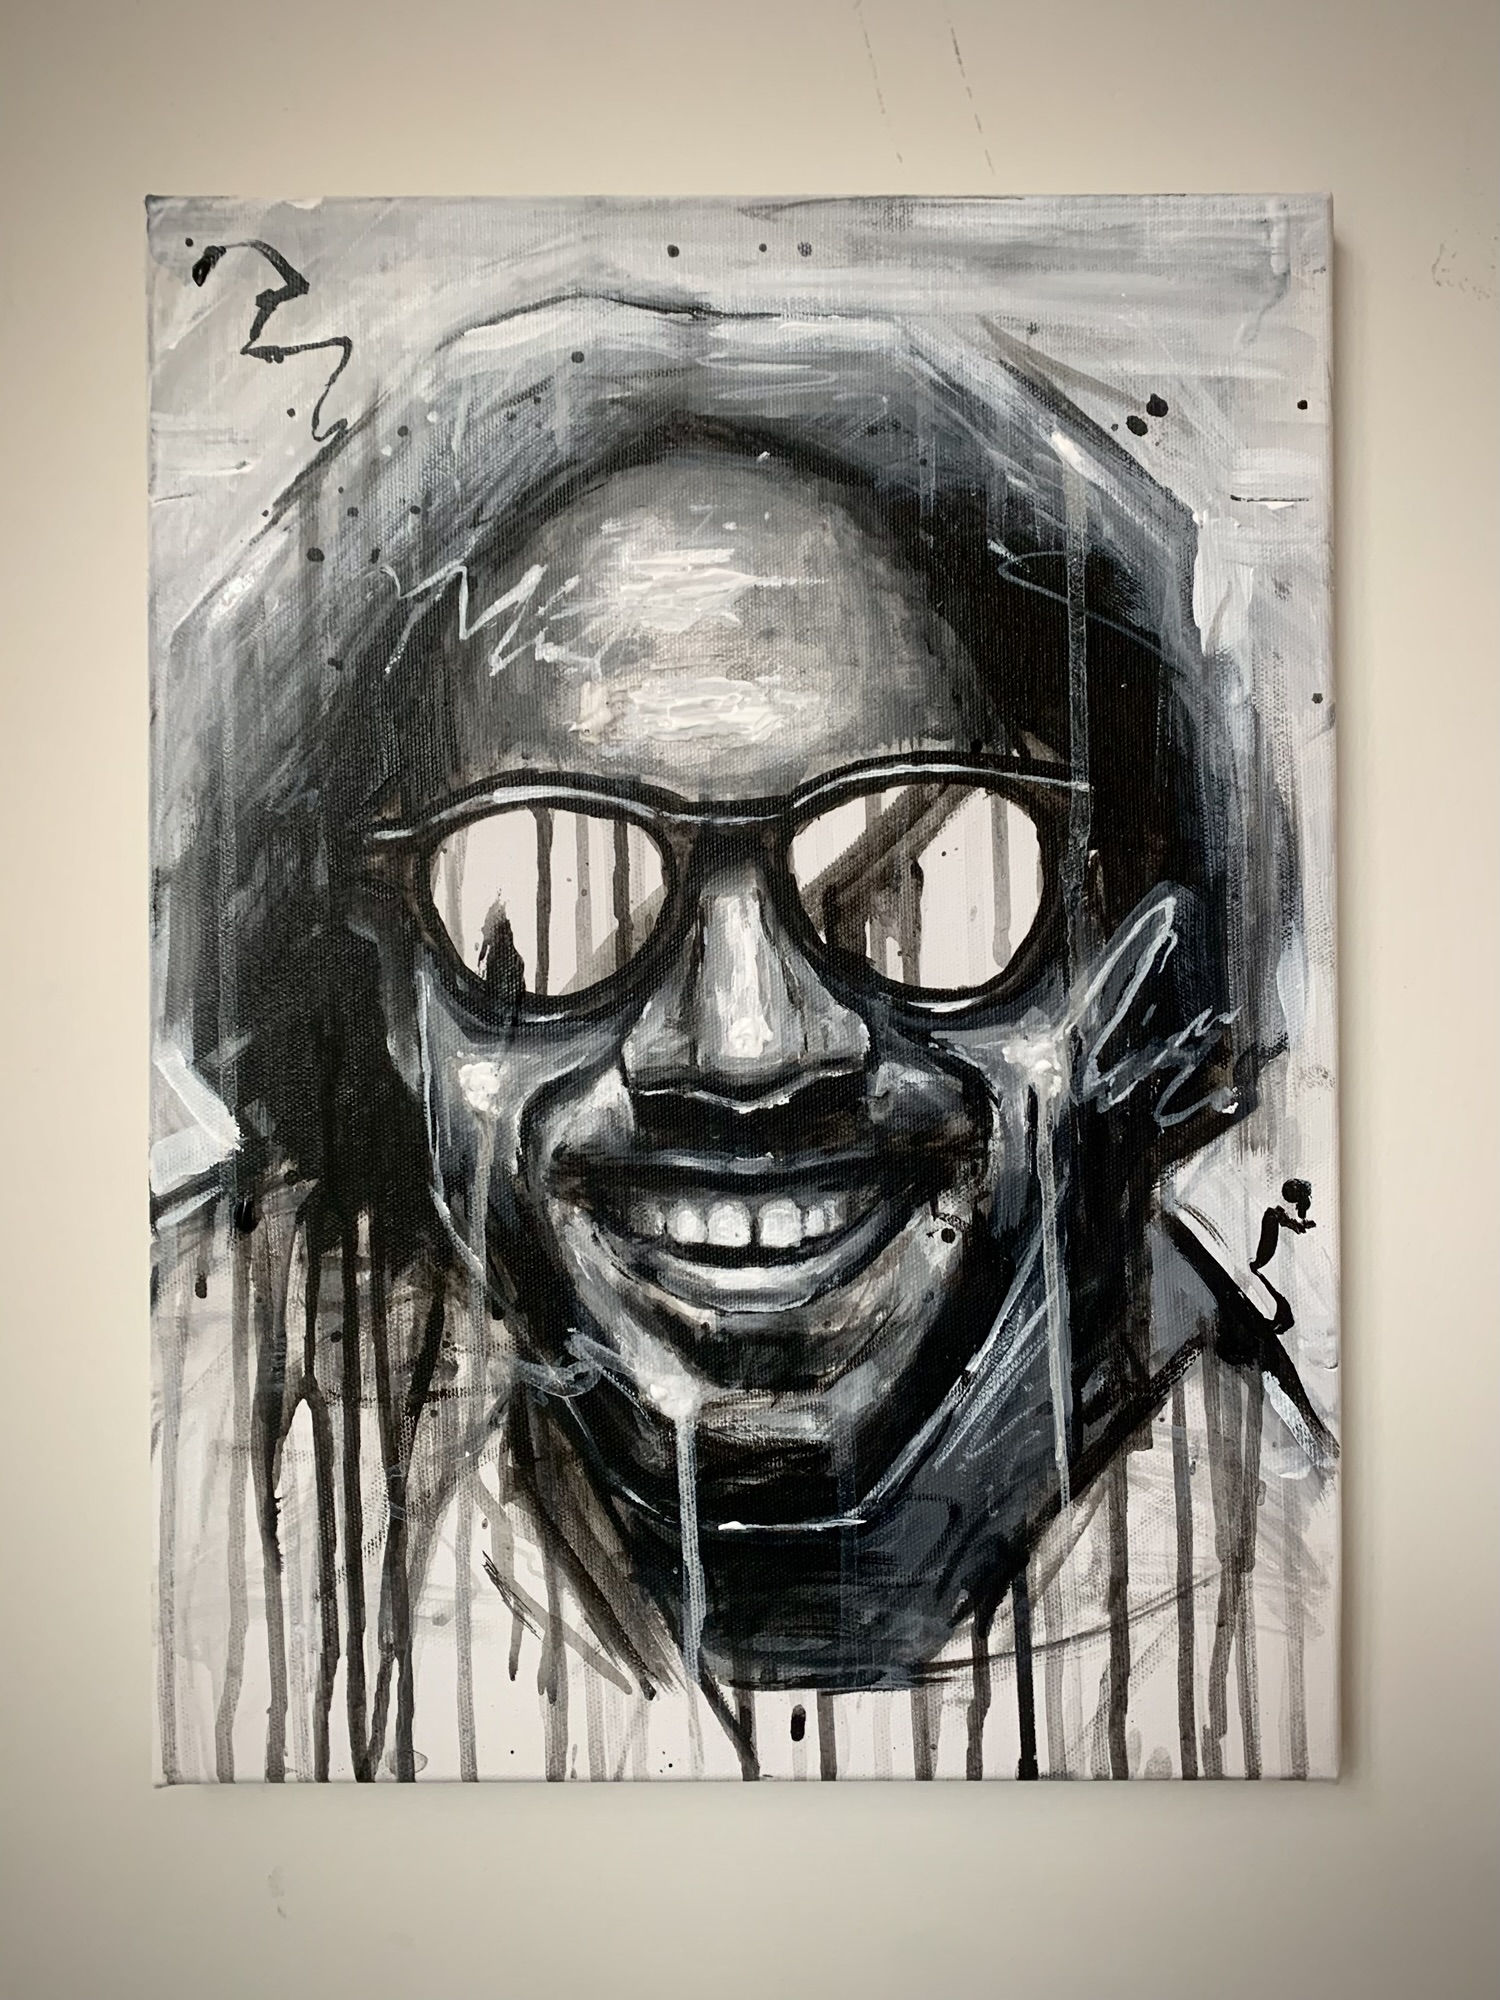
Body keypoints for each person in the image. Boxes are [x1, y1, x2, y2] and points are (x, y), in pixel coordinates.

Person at [153, 296, 1335, 1780]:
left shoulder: (1309, 1596)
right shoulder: (170, 1437)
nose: (748, 1045)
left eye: (918, 875)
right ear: (388, 995)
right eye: (556, 883)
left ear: (1125, 969)